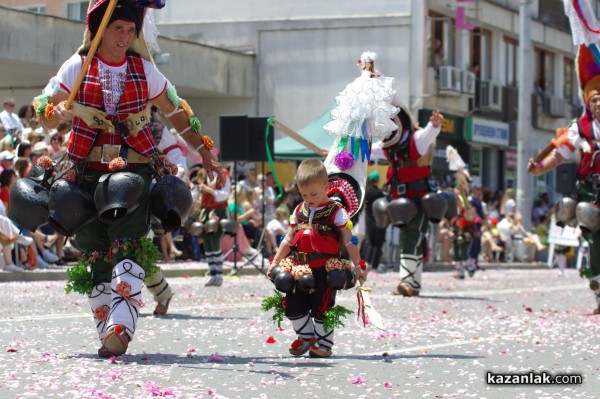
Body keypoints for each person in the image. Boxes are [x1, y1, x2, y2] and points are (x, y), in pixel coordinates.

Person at [34, 0, 222, 357]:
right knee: (95, 254)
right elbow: (44, 109)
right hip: (84, 175)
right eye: (117, 28)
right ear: (100, 30)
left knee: (129, 245)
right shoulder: (77, 66)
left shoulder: (146, 72)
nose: (124, 37)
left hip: (132, 174)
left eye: (130, 30)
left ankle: (122, 328)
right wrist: (54, 111)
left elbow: (179, 113)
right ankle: (107, 327)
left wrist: (205, 149)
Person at [267, 159, 367, 358]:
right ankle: (306, 338)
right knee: (293, 306)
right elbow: (288, 239)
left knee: (322, 307)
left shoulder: (337, 212)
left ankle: (323, 345)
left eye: (314, 194)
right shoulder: (298, 210)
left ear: (326, 187)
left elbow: (349, 241)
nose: (309, 199)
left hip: (325, 268)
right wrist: (276, 262)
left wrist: (358, 265)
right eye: (304, 194)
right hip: (299, 267)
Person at [384, 108, 444, 296]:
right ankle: (413, 284)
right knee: (411, 238)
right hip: (401, 198)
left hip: (420, 198)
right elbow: (366, 152)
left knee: (411, 237)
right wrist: (337, 153)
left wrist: (434, 124)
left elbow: (428, 133)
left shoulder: (415, 140)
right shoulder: (390, 146)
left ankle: (407, 281)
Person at [362, 171, 386, 270]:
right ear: (378, 181)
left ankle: (367, 261)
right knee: (378, 242)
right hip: (379, 219)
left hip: (368, 219)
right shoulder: (380, 193)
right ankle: (375, 263)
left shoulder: (366, 192)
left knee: (369, 241)